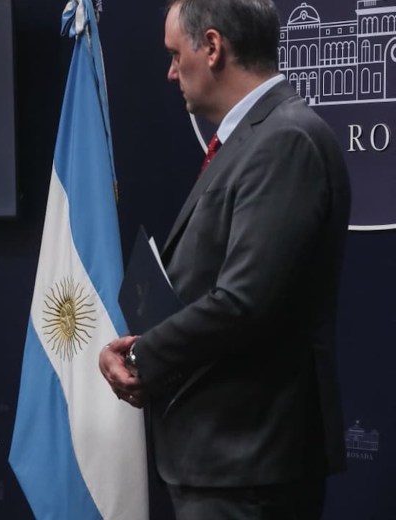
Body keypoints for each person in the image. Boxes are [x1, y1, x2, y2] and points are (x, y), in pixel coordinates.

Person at [98, 0, 350, 518]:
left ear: (212, 48)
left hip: (248, 461)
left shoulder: (286, 139)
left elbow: (245, 300)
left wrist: (144, 356)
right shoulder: (256, 137)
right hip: (219, 454)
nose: (170, 73)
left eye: (174, 54)